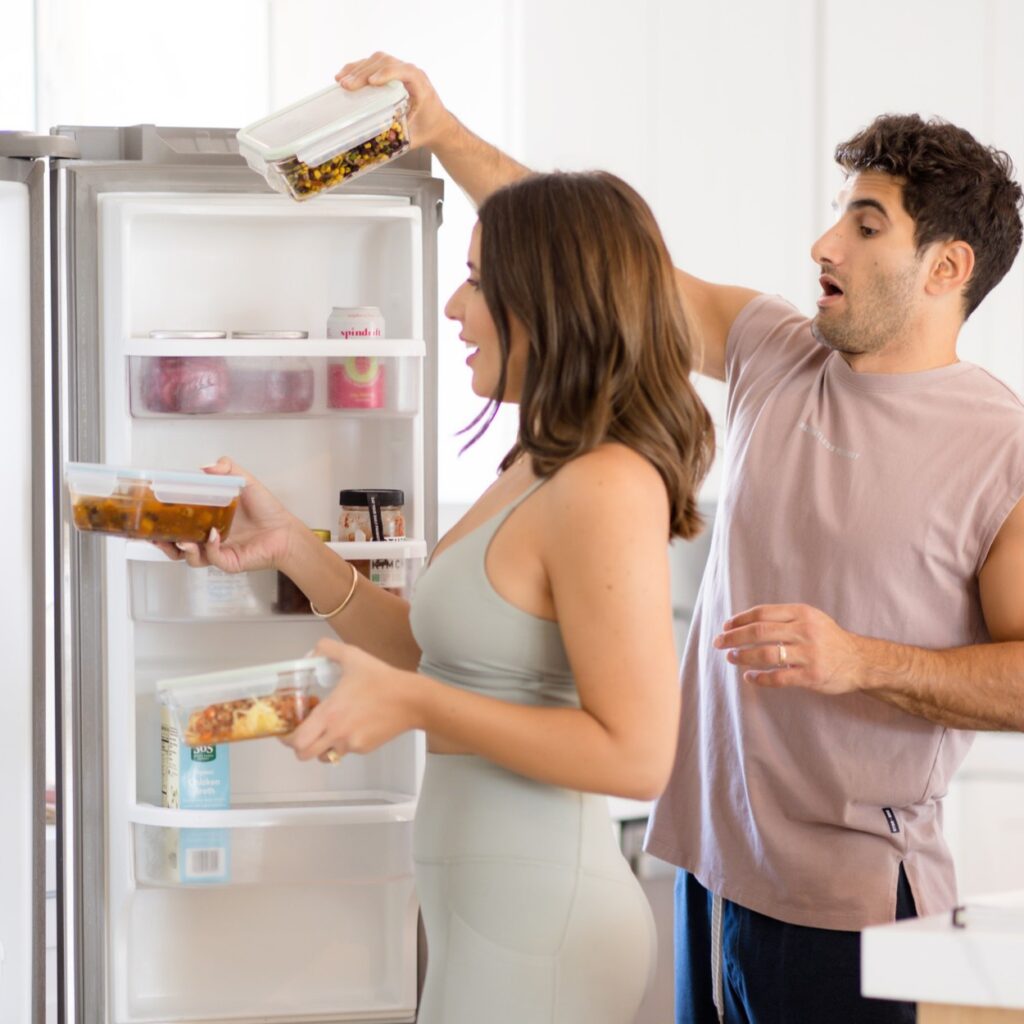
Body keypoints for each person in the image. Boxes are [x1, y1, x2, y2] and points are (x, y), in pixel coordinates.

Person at [332, 53, 1024, 1024]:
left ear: (946, 269)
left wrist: (857, 659)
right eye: (840, 213)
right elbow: (592, 255)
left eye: (866, 226)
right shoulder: (773, 354)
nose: (825, 240)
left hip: (852, 909)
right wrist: (444, 134)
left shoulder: (1001, 448)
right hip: (710, 871)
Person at [166, 170, 715, 1023]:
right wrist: (294, 550)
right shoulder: (540, 462)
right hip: (494, 911)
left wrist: (415, 705)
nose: (455, 308)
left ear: (553, 299)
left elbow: (637, 753)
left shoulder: (607, 483)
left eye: (479, 281)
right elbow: (442, 660)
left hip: (542, 921)